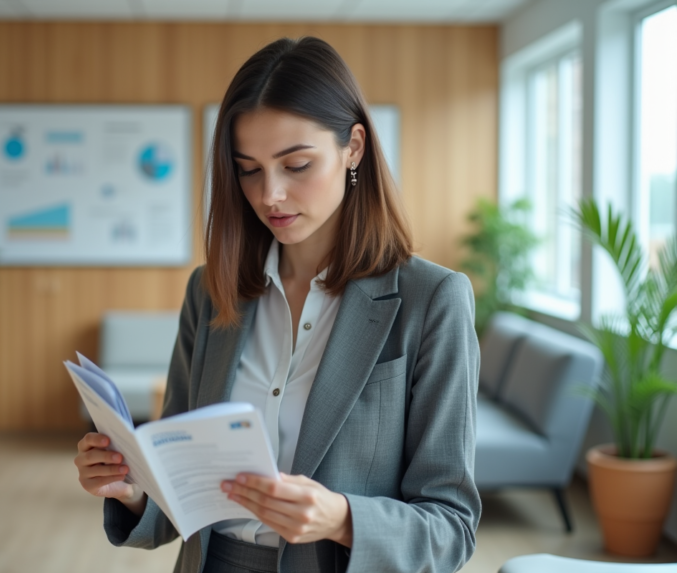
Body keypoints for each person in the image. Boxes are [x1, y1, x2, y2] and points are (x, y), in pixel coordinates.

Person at [74, 36, 481, 573]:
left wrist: (342, 518)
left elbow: (451, 528)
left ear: (354, 148)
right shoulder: (211, 292)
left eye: (297, 165)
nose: (270, 195)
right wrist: (131, 488)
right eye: (249, 169)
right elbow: (178, 486)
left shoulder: (432, 300)